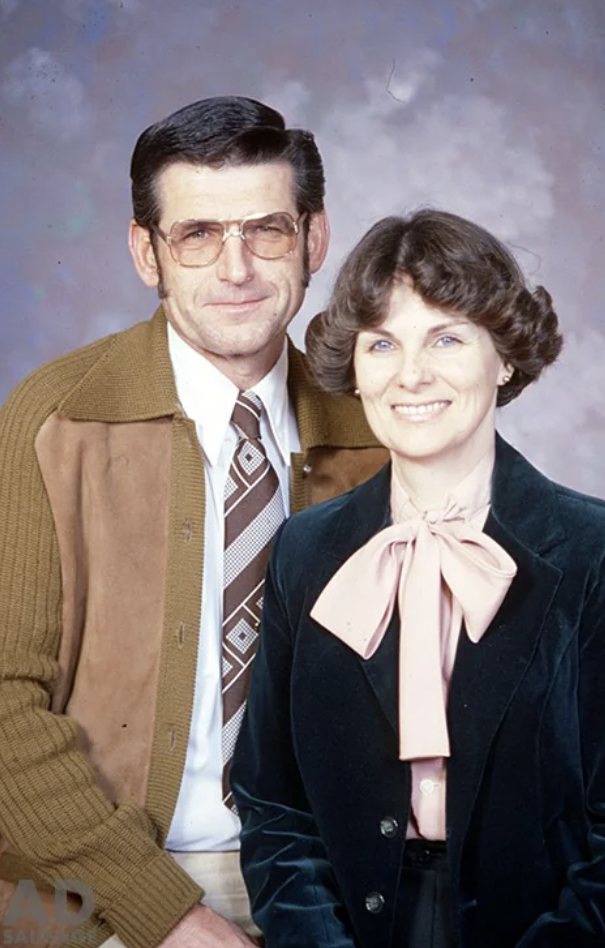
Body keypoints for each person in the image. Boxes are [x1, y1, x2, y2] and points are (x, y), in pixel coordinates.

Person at [0, 97, 388, 948]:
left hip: (335, 885)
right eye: (198, 234)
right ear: (148, 253)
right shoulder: (54, 417)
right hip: (91, 887)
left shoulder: (382, 421)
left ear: (315, 240)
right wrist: (166, 916)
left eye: (268, 231)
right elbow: (4, 704)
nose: (237, 267)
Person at [232, 208, 605, 947]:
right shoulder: (304, 552)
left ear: (503, 357)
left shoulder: (597, 552)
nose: (411, 375)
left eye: (446, 337)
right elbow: (272, 803)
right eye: (383, 343)